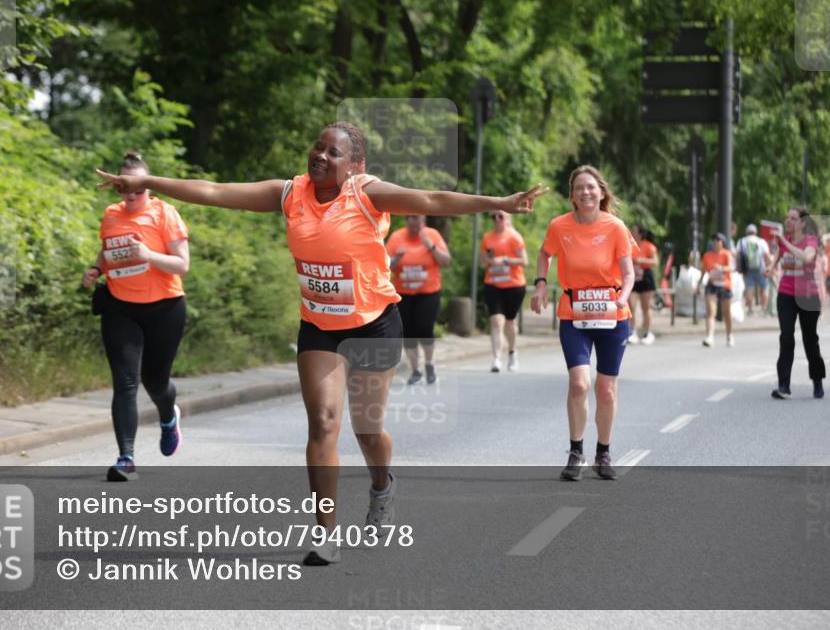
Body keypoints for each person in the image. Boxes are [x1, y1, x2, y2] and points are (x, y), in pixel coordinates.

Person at [96, 122, 547, 565]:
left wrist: (499, 202)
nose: (322, 156)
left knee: (367, 433)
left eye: (334, 153)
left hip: (373, 324)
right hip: (320, 327)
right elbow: (215, 191)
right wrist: (149, 181)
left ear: (355, 165)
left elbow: (431, 199)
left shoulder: (366, 193)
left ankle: (382, 486)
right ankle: (326, 532)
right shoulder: (289, 193)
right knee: (324, 423)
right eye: (318, 147)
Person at [82, 151, 190, 482]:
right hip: (120, 306)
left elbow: (182, 264)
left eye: (138, 188)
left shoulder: (164, 213)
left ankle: (168, 416)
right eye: (124, 187)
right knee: (125, 382)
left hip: (164, 308)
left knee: (154, 381)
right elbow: (108, 249)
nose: (131, 195)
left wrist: (149, 255)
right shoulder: (111, 215)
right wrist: (96, 269)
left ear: (148, 188)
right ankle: (126, 458)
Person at [530, 165, 635, 482]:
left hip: (612, 314)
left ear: (601, 192)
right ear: (572, 196)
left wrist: (623, 297)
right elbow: (544, 254)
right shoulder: (559, 226)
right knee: (579, 384)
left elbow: (628, 273)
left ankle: (603, 452)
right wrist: (540, 284)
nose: (585, 192)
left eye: (591, 187)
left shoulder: (615, 227)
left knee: (605, 390)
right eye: (579, 188)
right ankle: (576, 451)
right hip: (573, 312)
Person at [386, 215, 451, 384]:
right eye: (413, 221)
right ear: (407, 221)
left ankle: (429, 364)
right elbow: (384, 266)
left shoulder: (433, 235)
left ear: (424, 222)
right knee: (408, 332)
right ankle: (415, 370)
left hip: (428, 292)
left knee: (424, 328)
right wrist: (397, 258)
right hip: (403, 293)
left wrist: (431, 247)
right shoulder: (397, 237)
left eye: (420, 221)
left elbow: (446, 261)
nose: (416, 226)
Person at [770, 208, 825, 399]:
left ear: (802, 223)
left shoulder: (810, 241)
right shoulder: (783, 240)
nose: (789, 220)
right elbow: (779, 256)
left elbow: (807, 257)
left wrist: (784, 241)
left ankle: (817, 380)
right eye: (788, 217)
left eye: (794, 218)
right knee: (786, 337)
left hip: (808, 295)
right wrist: (771, 268)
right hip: (785, 293)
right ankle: (783, 385)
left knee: (810, 339)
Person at [480, 210, 528, 372]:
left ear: (507, 219)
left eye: (501, 216)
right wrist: (488, 261)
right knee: (496, 321)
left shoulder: (514, 237)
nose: (497, 219)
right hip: (493, 284)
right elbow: (482, 262)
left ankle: (512, 353)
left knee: (509, 322)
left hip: (514, 285)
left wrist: (505, 260)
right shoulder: (487, 238)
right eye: (494, 216)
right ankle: (496, 358)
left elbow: (524, 261)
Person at [699, 232, 735, 348]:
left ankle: (729, 335)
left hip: (725, 284)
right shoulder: (707, 255)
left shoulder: (726, 254)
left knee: (726, 313)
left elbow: (731, 267)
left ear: (722, 243)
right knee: (711, 311)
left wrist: (722, 268)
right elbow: (703, 271)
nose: (715, 243)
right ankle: (709, 336)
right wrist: (698, 285)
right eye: (713, 241)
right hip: (712, 284)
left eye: (717, 241)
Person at [627, 225, 658, 345]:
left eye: (634, 231)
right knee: (631, 306)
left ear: (640, 234)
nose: (631, 232)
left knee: (646, 307)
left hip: (645, 277)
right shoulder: (628, 245)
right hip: (633, 278)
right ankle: (632, 332)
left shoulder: (649, 246)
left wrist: (642, 261)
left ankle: (647, 332)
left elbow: (655, 261)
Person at [736, 223, 773, 317]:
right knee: (764, 287)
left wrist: (738, 268)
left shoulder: (741, 241)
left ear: (746, 232)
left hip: (747, 269)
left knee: (749, 288)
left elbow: (737, 256)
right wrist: (770, 267)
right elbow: (767, 256)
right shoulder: (761, 241)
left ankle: (750, 310)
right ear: (755, 232)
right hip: (761, 268)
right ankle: (763, 310)